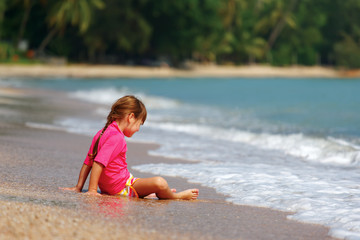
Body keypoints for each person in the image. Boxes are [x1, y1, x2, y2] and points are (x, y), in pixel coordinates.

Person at [62, 95, 199, 200]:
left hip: (126, 182)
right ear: (131, 117)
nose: (138, 129)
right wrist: (92, 190)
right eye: (139, 124)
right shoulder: (117, 137)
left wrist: (78, 187)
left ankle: (150, 193)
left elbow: (88, 161)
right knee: (160, 182)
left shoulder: (102, 132)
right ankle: (177, 196)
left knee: (148, 185)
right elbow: (97, 162)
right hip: (124, 187)